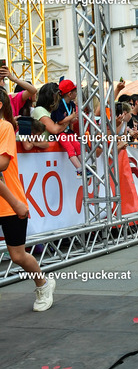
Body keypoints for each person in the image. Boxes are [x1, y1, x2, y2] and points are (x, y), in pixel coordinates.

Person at [0, 90, 55, 310]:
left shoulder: (4, 127)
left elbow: (3, 163)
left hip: (10, 202)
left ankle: (43, 284)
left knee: (17, 255)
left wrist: (16, 203)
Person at [51, 79, 83, 176]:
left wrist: (73, 119)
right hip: (60, 133)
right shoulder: (59, 105)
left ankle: (85, 166)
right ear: (69, 94)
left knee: (77, 145)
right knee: (70, 148)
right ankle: (79, 169)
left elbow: (69, 120)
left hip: (68, 131)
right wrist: (71, 117)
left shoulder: (72, 104)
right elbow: (60, 121)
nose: (76, 93)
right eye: (75, 91)